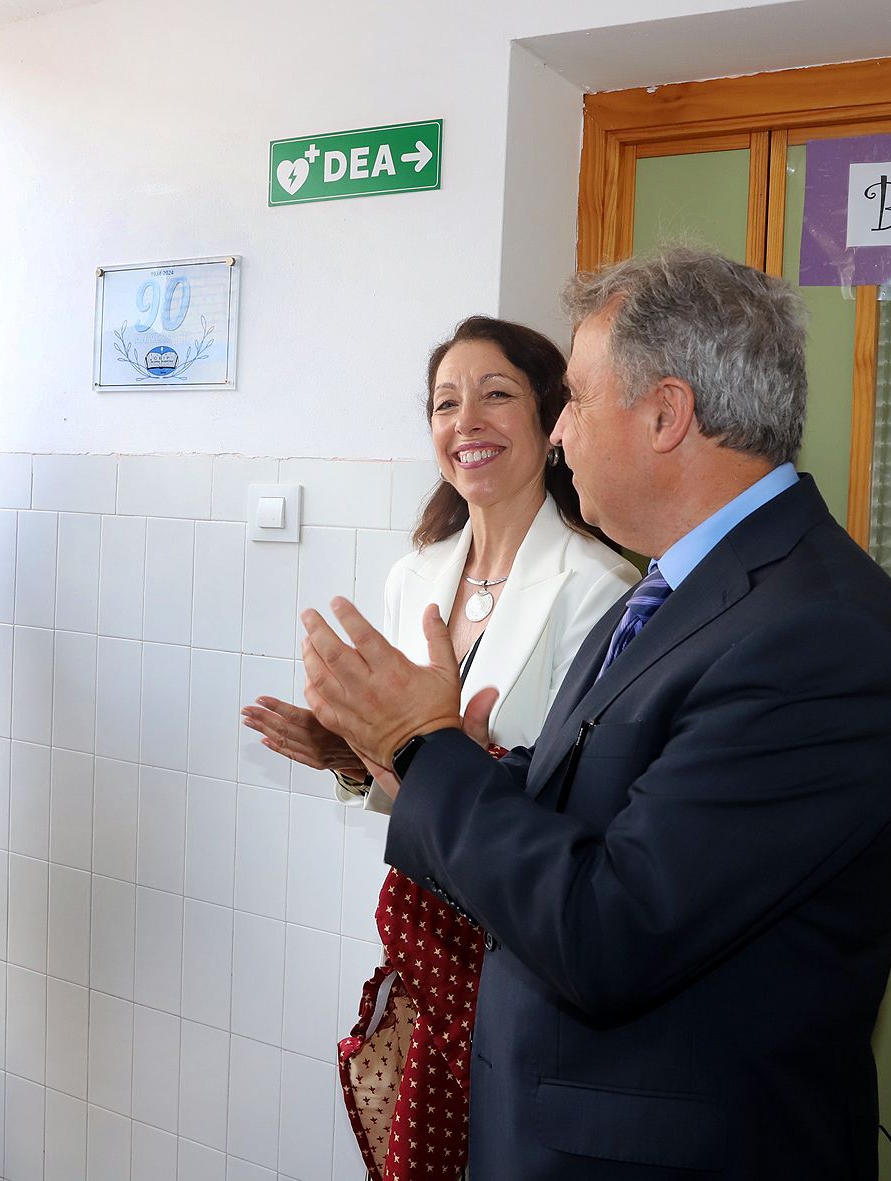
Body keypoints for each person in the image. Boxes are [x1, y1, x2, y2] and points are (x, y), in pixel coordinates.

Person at [298, 245, 891, 1180]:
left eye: (573, 400)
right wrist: (437, 759)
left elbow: (613, 929)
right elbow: (592, 796)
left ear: (667, 414)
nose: (558, 434)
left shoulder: (819, 638)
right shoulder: (681, 589)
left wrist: (425, 746)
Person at [242, 316, 634, 1177]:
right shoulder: (415, 573)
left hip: (527, 947)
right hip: (429, 943)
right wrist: (348, 753)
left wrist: (454, 754)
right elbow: (415, 776)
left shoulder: (600, 588)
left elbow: (585, 807)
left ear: (551, 418)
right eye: (445, 403)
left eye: (496, 394)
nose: (467, 422)